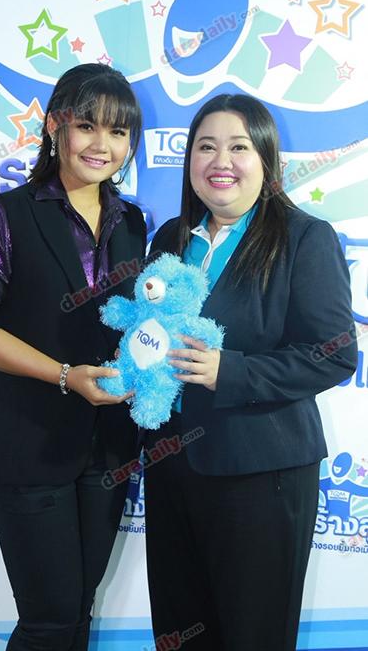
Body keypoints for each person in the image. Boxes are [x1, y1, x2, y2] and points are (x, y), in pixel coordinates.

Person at [144, 93, 357, 651]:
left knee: (253, 634)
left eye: (239, 147)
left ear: (266, 159)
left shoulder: (304, 237)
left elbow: (334, 353)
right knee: (178, 630)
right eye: (206, 147)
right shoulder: (170, 238)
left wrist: (229, 372)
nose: (221, 161)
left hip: (262, 474)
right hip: (172, 466)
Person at [0, 63, 146, 651]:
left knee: (79, 610)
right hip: (26, 444)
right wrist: (64, 375)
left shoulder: (133, 221)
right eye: (87, 126)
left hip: (109, 448)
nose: (102, 145)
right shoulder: (9, 212)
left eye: (118, 132)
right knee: (50, 620)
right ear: (56, 127)